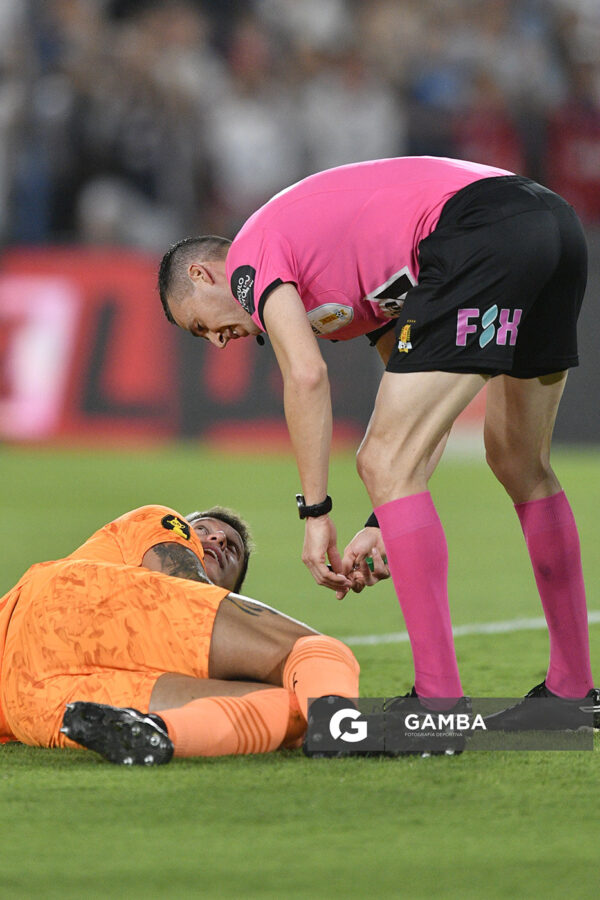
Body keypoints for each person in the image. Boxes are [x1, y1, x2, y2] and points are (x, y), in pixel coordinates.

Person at [157, 156, 599, 729]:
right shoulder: (348, 280)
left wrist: (316, 513)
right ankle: (574, 692)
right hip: (553, 227)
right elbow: (420, 424)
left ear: (201, 276)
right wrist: (381, 519)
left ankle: (438, 706)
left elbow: (307, 376)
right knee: (519, 461)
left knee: (381, 457)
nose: (217, 342)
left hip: (480, 230)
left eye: (200, 326)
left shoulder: (248, 258)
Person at [0, 503, 360, 763]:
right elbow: (185, 584)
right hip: (70, 601)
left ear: (233, 594)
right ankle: (356, 729)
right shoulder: (159, 520)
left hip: (28, 699)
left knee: (294, 711)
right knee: (317, 649)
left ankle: (159, 733)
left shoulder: (170, 634)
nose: (217, 537)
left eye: (231, 549)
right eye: (201, 529)